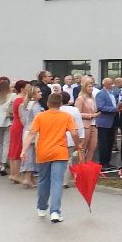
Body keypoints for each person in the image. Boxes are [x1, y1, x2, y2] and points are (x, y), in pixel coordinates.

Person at [28, 92, 77, 223]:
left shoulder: (40, 116)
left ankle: (42, 207)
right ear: (60, 104)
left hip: (43, 152)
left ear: (48, 103)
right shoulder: (66, 116)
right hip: (60, 152)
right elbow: (74, 133)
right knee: (57, 182)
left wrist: (23, 150)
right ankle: (55, 212)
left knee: (43, 180)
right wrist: (79, 145)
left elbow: (31, 133)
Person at [94, 78, 120, 170]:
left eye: (112, 83)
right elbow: (101, 107)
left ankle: (108, 162)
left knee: (110, 143)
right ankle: (103, 163)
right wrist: (115, 109)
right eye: (109, 84)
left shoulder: (112, 93)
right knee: (103, 144)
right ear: (104, 84)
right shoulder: (101, 94)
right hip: (104, 122)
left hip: (112, 121)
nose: (111, 85)